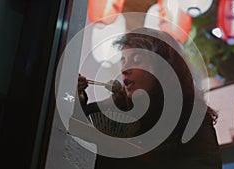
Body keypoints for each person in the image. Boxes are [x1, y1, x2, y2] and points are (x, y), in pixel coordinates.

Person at [77, 27, 222, 169]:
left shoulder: (191, 117)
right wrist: (79, 99)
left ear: (164, 68)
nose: (124, 69)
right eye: (123, 60)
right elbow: (77, 131)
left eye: (137, 60)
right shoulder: (116, 109)